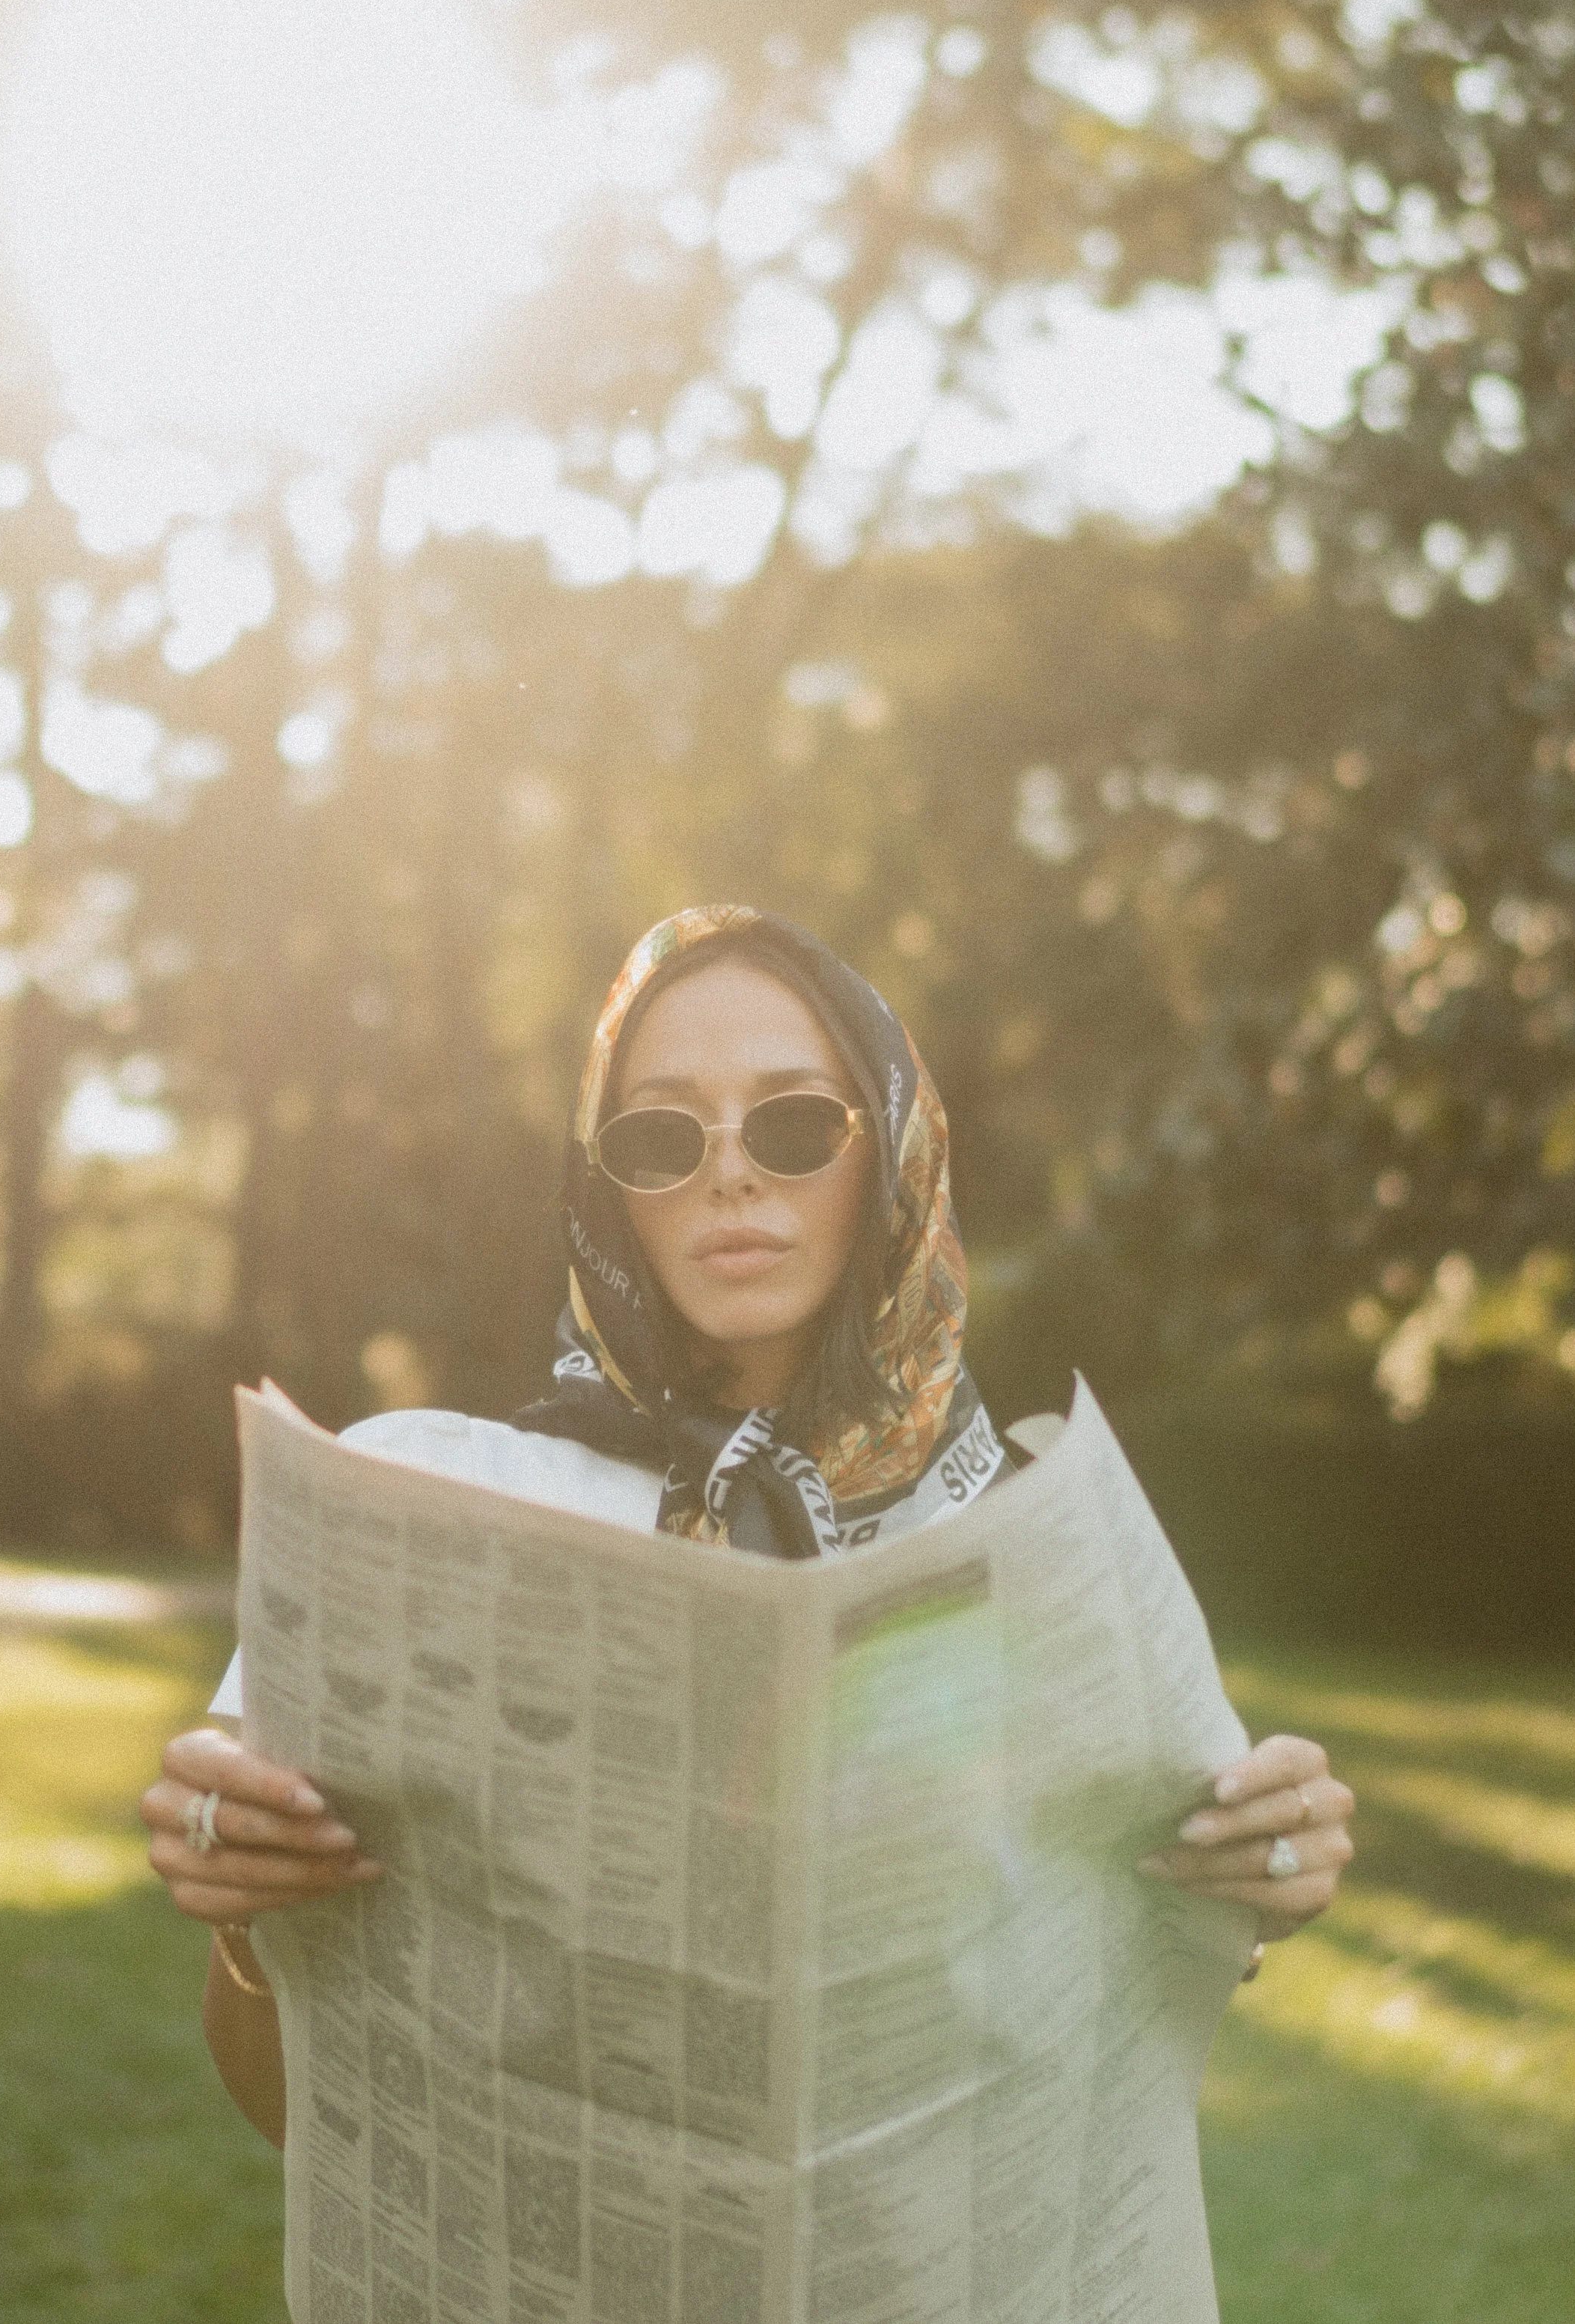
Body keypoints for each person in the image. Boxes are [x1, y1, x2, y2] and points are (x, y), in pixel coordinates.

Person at [142, 904, 1354, 2147]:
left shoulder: (1036, 1532)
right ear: (602, 1186)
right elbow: (286, 2111)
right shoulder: (436, 1501)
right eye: (661, 1135)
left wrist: (1252, 1866)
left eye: (792, 1123)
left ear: (889, 1149)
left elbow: (1105, 2072)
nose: (732, 1172)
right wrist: (245, 1927)